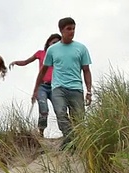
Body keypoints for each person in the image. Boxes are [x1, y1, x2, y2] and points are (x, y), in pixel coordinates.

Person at [32, 17, 92, 151]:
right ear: (61, 30)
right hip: (58, 88)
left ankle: (72, 142)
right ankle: (71, 141)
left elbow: (86, 70)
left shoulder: (81, 48)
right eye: (68, 29)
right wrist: (36, 88)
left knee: (79, 119)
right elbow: (43, 71)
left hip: (76, 88)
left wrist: (89, 91)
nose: (72, 32)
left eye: (73, 28)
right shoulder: (52, 50)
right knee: (60, 113)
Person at [10, 33, 62, 136]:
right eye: (53, 42)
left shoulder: (60, 56)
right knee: (43, 109)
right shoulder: (41, 53)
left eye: (58, 43)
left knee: (59, 109)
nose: (55, 44)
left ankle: (66, 132)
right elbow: (26, 61)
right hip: (42, 86)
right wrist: (16, 62)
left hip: (55, 86)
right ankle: (41, 132)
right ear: (48, 43)